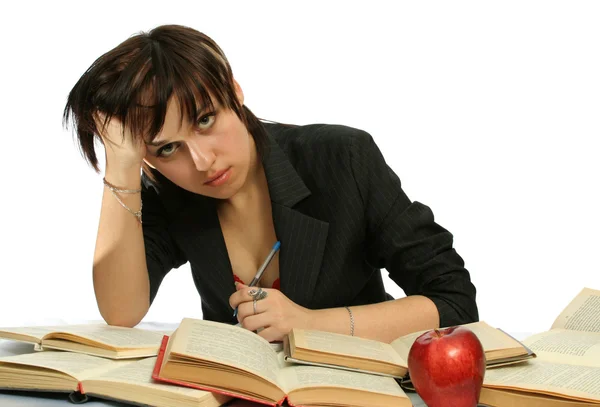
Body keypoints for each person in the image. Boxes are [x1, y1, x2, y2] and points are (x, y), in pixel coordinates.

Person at [63, 24, 478, 344]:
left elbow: (455, 301)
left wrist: (312, 324)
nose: (202, 162)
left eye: (205, 120)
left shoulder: (341, 157)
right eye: (168, 148)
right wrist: (120, 165)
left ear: (234, 90)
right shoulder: (168, 193)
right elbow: (121, 312)